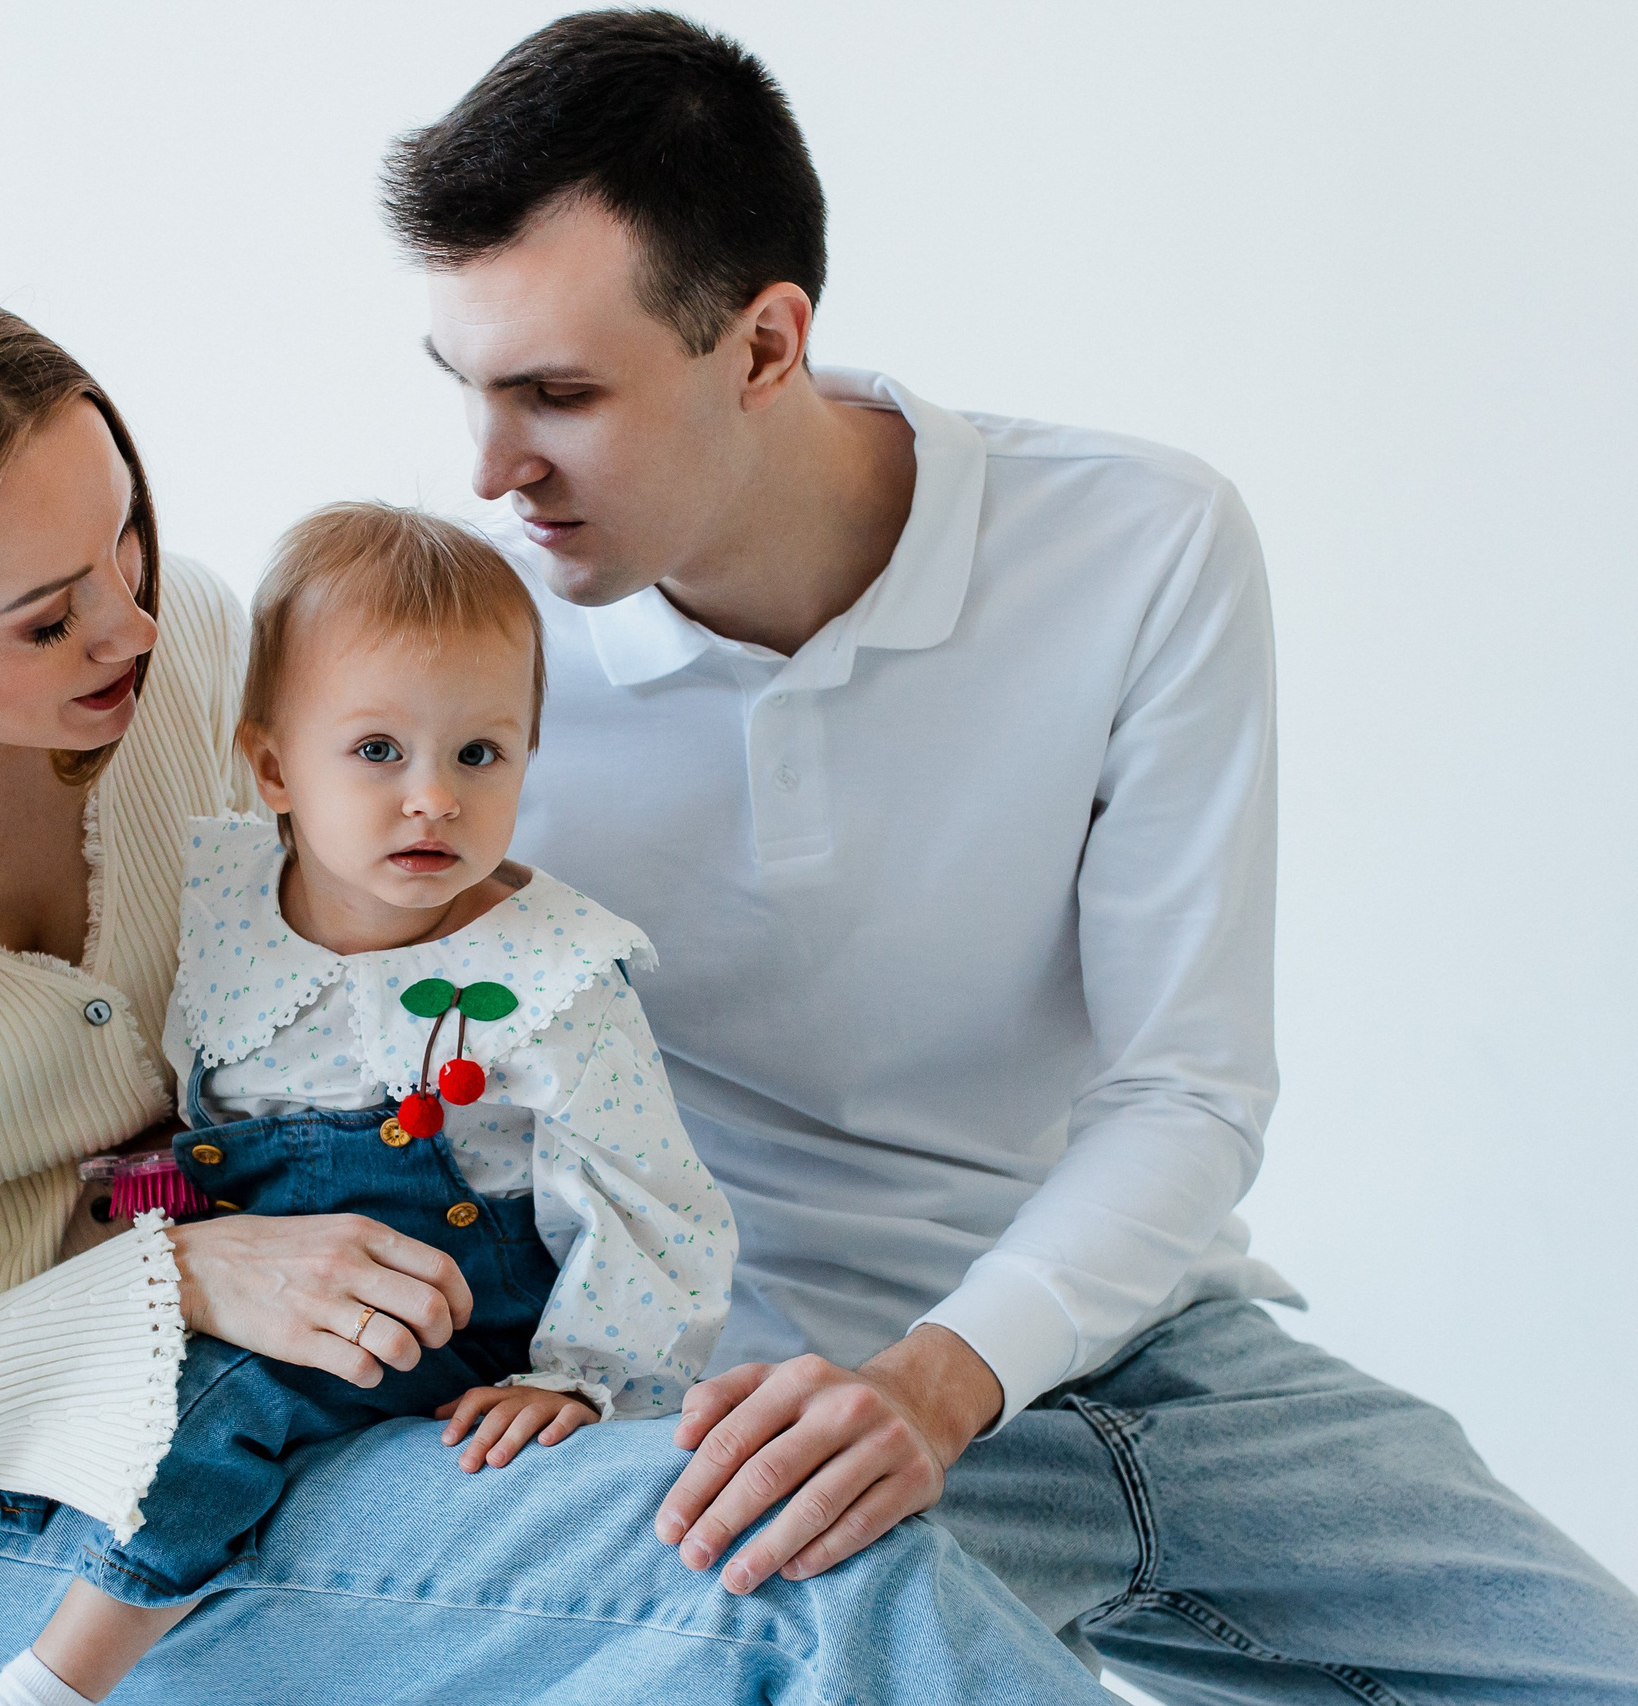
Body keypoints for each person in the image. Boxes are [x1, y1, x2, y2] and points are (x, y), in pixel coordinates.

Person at [0, 274, 1118, 1705]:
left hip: (351, 1387)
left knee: (830, 1543)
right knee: (816, 1585)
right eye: (47, 612)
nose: (133, 624)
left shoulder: (184, 650)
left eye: (125, 536)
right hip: (33, 1521)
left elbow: (366, 938)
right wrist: (177, 1287)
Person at [382, 10, 1638, 1700]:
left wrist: (948, 1375)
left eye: (559, 396)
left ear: (765, 347)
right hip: (755, 1419)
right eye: (462, 386)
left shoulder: (1140, 547)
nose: (489, 469)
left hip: (1146, 1349)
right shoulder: (447, 669)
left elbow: (1188, 1090)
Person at [0, 501, 736, 1704]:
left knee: (204, 1408)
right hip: (233, 1247)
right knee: (32, 1357)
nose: (432, 799)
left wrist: (576, 1376)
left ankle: (60, 1678)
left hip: (427, 1301)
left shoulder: (549, 973)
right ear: (271, 768)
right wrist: (138, 1207)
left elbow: (651, 1202)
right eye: (376, 752)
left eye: (480, 754)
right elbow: (196, 1115)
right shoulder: (228, 898)